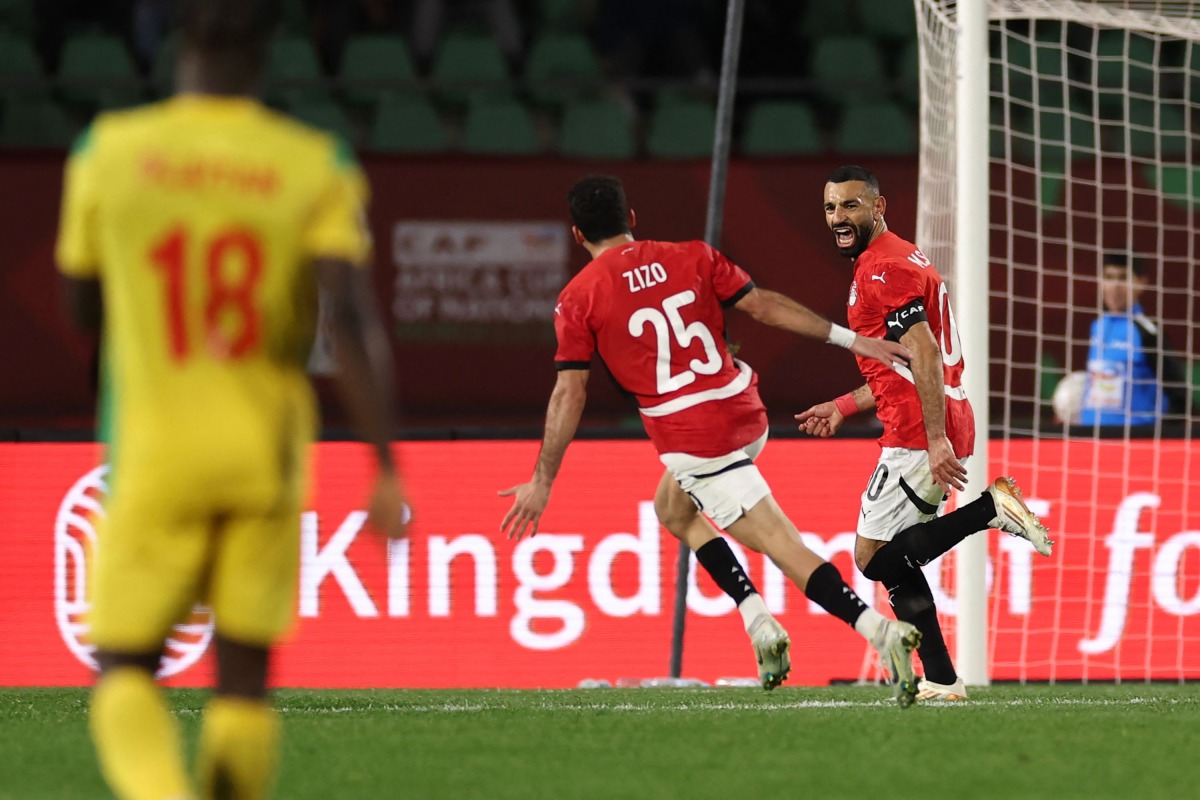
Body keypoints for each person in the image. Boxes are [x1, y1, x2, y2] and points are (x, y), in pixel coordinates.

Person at [54, 2, 409, 798]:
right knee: (243, 677)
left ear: (178, 37)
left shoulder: (107, 154)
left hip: (156, 450)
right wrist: (385, 463)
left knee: (124, 666)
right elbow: (348, 321)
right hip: (264, 454)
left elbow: (79, 311)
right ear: (268, 49)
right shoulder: (312, 163)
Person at [499, 174, 926, 707]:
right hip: (745, 409)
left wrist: (543, 480)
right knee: (671, 508)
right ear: (631, 219)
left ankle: (878, 631)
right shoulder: (692, 255)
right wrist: (853, 338)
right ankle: (758, 622)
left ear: (576, 235)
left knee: (779, 543)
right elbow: (764, 306)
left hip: (697, 440)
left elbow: (570, 392)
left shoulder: (578, 297)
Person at [796, 165, 1053, 702]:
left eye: (850, 206)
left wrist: (934, 439)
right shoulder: (898, 257)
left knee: (872, 559)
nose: (839, 218)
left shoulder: (882, 269)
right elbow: (903, 364)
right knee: (897, 563)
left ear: (878, 206)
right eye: (830, 208)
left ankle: (991, 509)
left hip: (917, 428)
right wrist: (846, 404)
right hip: (930, 415)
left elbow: (924, 354)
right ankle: (941, 677)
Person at [1079, 253, 1188, 426]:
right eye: (1108, 277)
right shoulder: (1097, 326)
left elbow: (1179, 394)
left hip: (1134, 440)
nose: (1114, 286)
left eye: (1123, 278)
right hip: (1091, 437)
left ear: (1141, 283)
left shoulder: (1147, 332)